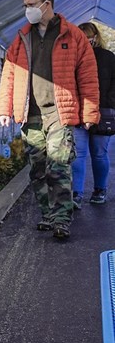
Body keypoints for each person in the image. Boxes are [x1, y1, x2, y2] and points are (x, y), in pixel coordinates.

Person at [0, 0, 100, 240]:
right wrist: (4, 108)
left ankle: (62, 218)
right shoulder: (21, 40)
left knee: (58, 166)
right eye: (25, 5)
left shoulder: (73, 36)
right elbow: (8, 75)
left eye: (31, 5)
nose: (27, 9)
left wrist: (89, 114)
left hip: (59, 113)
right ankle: (48, 214)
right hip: (30, 113)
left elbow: (88, 78)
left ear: (47, 4)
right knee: (37, 168)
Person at [71, 22, 115, 207]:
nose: (86, 40)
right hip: (78, 112)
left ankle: (100, 189)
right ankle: (76, 193)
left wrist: (109, 104)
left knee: (98, 153)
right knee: (78, 154)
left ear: (96, 36)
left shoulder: (108, 58)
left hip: (103, 112)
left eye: (87, 36)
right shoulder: (72, 57)